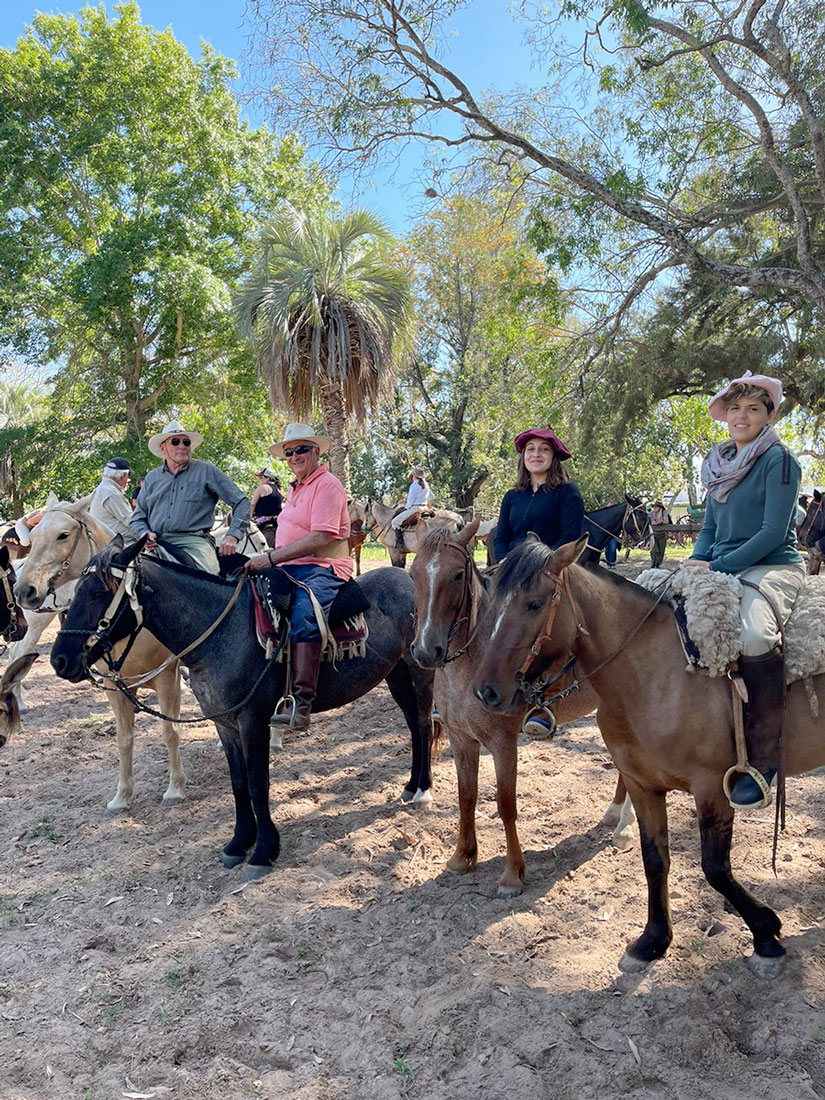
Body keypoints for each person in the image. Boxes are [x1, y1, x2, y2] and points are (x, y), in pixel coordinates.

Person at [683, 371, 803, 810]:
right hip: (722, 562)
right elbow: (712, 527)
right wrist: (696, 562)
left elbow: (773, 532)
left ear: (767, 415)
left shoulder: (780, 460)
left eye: (753, 408)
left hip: (771, 565)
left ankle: (764, 762)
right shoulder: (717, 463)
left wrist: (718, 565)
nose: (742, 416)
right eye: (734, 408)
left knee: (754, 635)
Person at [245, 424, 352, 731]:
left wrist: (270, 558)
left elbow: (320, 537)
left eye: (301, 449)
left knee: (305, 612)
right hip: (289, 565)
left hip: (323, 566)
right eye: (289, 452)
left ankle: (301, 704)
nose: (294, 457)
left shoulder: (327, 484)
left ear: (316, 452)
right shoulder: (294, 487)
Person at [130, 421, 249, 575]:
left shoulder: (206, 470)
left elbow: (242, 502)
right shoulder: (152, 478)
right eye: (175, 441)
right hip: (157, 543)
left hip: (195, 542)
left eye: (186, 442)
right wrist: (143, 534)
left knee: (208, 579)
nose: (182, 446)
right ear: (163, 448)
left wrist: (233, 535)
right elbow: (137, 518)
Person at [493, 427, 584, 562]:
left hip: (549, 568)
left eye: (544, 449)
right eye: (530, 449)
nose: (536, 454)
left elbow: (569, 538)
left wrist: (543, 561)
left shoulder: (567, 492)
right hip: (510, 566)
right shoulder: (511, 496)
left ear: (554, 456)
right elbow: (500, 538)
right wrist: (504, 560)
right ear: (523, 456)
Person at [90, 457, 134, 542]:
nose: (128, 480)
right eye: (128, 476)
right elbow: (129, 520)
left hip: (107, 538)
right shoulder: (111, 492)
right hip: (121, 542)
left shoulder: (102, 489)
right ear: (123, 475)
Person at [391, 466, 434, 548]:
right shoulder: (426, 485)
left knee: (395, 522)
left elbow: (410, 502)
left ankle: (400, 543)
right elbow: (431, 497)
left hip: (416, 508)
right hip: (425, 508)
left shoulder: (414, 485)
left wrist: (404, 507)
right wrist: (428, 508)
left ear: (413, 476)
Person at [250, 468, 283, 548]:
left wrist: (250, 516)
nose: (260, 480)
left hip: (261, 521)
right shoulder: (279, 490)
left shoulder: (263, 488)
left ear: (268, 478)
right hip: (276, 521)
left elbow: (252, 504)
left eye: (261, 478)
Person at [649, 500, 671, 569]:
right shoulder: (651, 514)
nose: (654, 508)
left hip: (662, 534)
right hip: (654, 534)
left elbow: (666, 521)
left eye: (656, 507)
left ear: (660, 508)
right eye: (654, 507)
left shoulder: (664, 512)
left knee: (661, 550)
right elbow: (653, 522)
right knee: (653, 550)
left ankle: (658, 563)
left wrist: (659, 522)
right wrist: (660, 522)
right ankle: (653, 562)